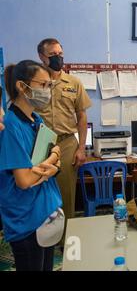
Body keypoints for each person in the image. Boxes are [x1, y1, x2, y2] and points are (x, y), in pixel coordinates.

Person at [0, 60, 63, 271]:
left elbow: (56, 152)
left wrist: (51, 164)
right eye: (43, 85)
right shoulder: (12, 126)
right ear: (22, 86)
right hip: (26, 220)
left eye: (49, 86)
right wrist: (51, 162)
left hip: (44, 213)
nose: (47, 91)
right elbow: (24, 180)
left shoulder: (35, 120)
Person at [36, 38, 92, 221]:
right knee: (38, 190)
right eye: (52, 55)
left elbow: (82, 116)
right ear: (41, 57)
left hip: (67, 143)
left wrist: (81, 148)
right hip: (39, 144)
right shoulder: (34, 82)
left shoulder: (74, 82)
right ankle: (41, 240)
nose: (58, 58)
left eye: (60, 54)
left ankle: (65, 239)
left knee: (66, 194)